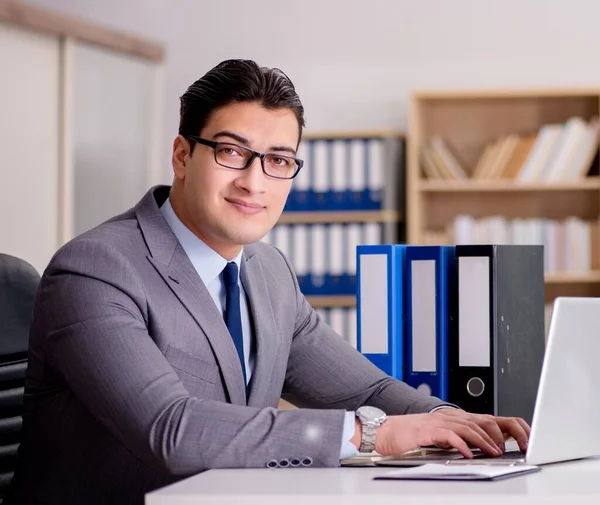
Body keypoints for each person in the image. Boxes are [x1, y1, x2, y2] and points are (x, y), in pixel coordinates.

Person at [8, 59, 530, 505]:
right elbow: (170, 428)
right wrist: (375, 434)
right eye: (231, 152)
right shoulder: (96, 268)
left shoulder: (267, 271)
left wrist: (459, 422)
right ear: (183, 156)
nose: (253, 181)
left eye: (278, 160)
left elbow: (362, 387)